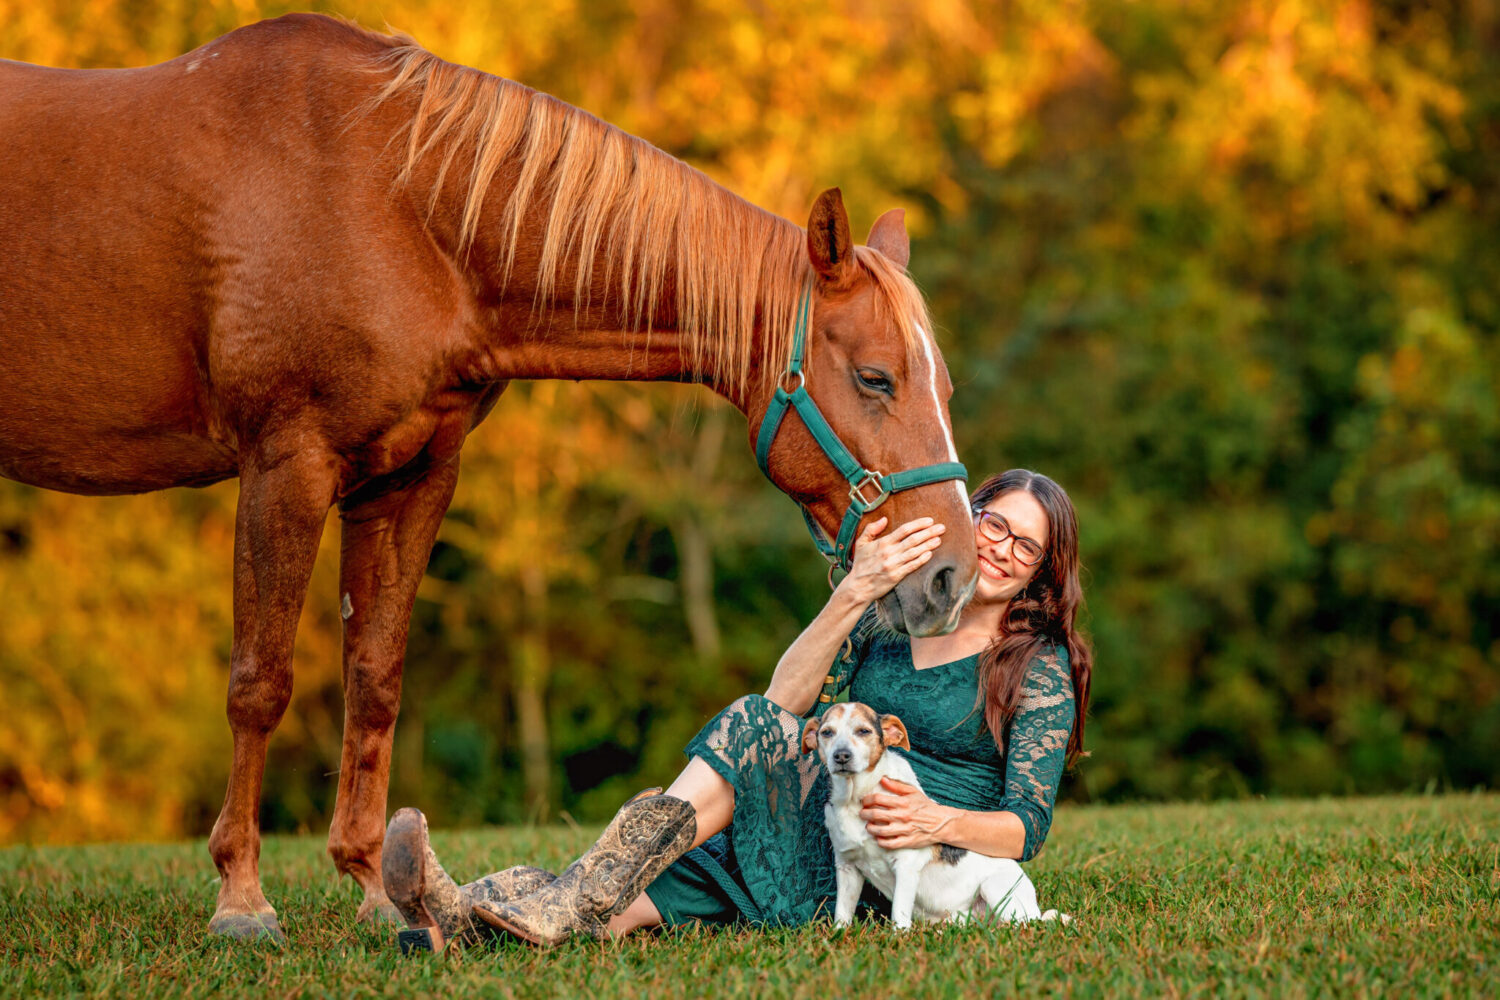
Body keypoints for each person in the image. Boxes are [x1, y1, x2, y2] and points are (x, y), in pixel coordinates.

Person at [382, 469, 1093, 949]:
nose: (1000, 549)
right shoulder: (890, 621)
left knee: (734, 750)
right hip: (822, 825)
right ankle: (451, 923)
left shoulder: (1037, 666)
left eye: (1025, 544)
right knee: (638, 895)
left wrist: (934, 819)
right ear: (965, 521)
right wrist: (855, 591)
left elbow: (1024, 828)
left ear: (1044, 568)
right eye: (991, 525)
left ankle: (493, 904)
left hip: (904, 870)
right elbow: (787, 703)